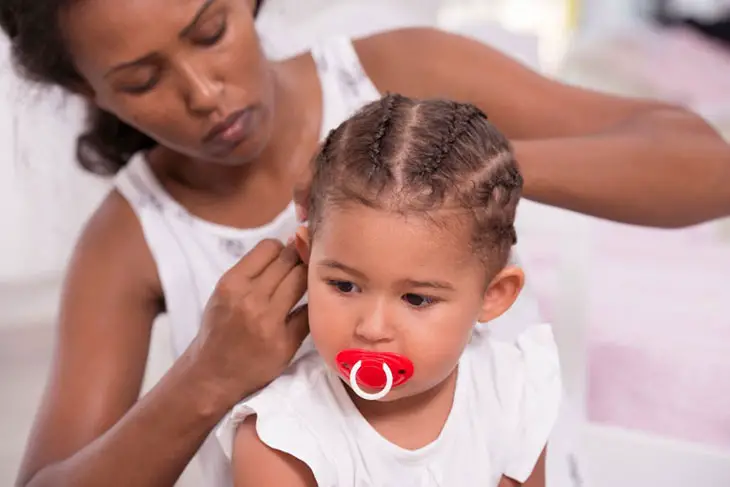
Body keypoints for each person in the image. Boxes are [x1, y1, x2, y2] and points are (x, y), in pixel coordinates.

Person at [1, 0, 728, 486]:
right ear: (88, 88)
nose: (204, 93)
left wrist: (458, 179)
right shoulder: (128, 240)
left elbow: (708, 167)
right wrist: (207, 375)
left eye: (210, 30)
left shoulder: (403, 73)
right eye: (141, 80)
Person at [219, 94, 562, 487]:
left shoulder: (514, 391)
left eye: (416, 298)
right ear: (308, 257)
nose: (372, 327)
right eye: (344, 285)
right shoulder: (283, 440)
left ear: (493, 295)